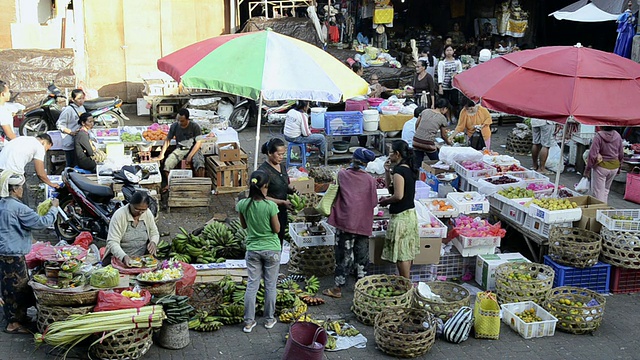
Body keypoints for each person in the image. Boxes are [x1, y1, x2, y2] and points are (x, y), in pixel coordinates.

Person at [0, 174, 59, 334]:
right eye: (21, 187)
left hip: (5, 253)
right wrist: (53, 208)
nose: (22, 190)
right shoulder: (17, 207)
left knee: (8, 288)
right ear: (15, 189)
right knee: (16, 289)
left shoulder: (3, 204)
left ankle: (18, 318)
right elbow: (41, 223)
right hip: (13, 254)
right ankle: (13, 324)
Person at [323, 148, 378, 298]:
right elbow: (374, 202)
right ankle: (362, 288)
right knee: (362, 255)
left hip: (345, 221)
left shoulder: (342, 174)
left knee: (343, 255)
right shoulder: (370, 180)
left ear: (352, 160)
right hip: (362, 223)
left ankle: (338, 288)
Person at [236, 170, 281, 333]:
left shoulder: (242, 204)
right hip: (272, 250)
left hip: (253, 249)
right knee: (270, 285)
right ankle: (269, 320)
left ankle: (248, 322)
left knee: (252, 285)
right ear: (264, 187)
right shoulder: (270, 206)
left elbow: (243, 226)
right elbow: (277, 229)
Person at [378, 140, 419, 279]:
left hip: (402, 217)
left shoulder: (399, 171)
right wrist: (387, 171)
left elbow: (398, 195)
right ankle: (406, 281)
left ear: (397, 154)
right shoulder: (409, 168)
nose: (389, 156)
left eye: (390, 152)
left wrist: (385, 201)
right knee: (407, 251)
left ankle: (405, 283)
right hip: (411, 215)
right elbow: (391, 188)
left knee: (402, 255)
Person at [154, 108, 205, 190]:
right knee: (167, 163)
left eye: (182, 121)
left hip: (193, 148)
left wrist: (190, 156)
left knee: (199, 163)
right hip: (180, 149)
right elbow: (168, 140)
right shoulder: (174, 126)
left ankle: (201, 185)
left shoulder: (195, 126)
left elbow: (199, 143)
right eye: (178, 120)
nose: (180, 123)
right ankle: (169, 184)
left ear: (187, 119)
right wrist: (161, 154)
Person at [105, 191, 159, 267]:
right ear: (131, 204)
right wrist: (123, 257)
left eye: (143, 210)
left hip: (142, 260)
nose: (140, 213)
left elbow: (154, 233)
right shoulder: (119, 215)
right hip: (121, 259)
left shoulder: (147, 213)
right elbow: (112, 242)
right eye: (137, 209)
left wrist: (153, 242)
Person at [258, 138, 296, 245]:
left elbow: (283, 184)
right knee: (271, 242)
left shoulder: (282, 167)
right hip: (269, 214)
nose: (281, 157)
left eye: (283, 154)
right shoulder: (263, 172)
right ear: (269, 153)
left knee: (279, 239)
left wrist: (290, 190)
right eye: (278, 154)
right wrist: (283, 202)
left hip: (282, 212)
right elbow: (262, 197)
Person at [585, 127, 624, 202]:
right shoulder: (617, 135)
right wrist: (619, 167)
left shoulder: (598, 136)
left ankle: (599, 210)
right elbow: (621, 154)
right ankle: (604, 210)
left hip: (601, 167)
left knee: (598, 192)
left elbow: (592, 155)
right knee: (606, 190)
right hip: (614, 167)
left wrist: (587, 170)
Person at [413, 98, 452, 163]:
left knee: (417, 163)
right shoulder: (442, 118)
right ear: (444, 108)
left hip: (416, 141)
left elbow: (417, 123)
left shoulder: (425, 111)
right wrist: (449, 144)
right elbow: (443, 135)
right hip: (428, 144)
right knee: (437, 162)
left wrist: (419, 134)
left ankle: (417, 172)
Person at [56, 89, 85, 168]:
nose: (82, 101)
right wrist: (71, 132)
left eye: (83, 98)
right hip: (69, 141)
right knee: (70, 164)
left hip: (78, 141)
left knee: (78, 163)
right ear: (73, 99)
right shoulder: (68, 110)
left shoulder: (82, 108)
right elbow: (59, 124)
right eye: (79, 99)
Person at [437, 45, 463, 121]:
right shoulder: (442, 62)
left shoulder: (457, 62)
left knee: (454, 102)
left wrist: (456, 74)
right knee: (446, 102)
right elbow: (440, 74)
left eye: (450, 50)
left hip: (454, 86)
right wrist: (440, 86)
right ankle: (448, 118)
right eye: (447, 50)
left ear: (453, 51)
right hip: (445, 86)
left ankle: (453, 115)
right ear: (444, 52)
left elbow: (460, 71)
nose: (449, 52)